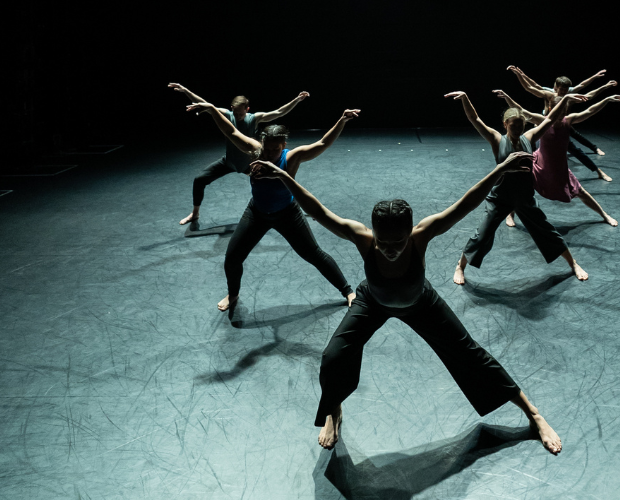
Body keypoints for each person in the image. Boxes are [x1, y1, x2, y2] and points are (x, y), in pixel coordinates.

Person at [250, 151, 563, 455]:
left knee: (471, 355)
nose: (388, 249)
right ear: (372, 233)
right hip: (372, 302)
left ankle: (532, 413)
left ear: (409, 233)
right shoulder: (362, 238)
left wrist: (501, 169)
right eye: (382, 241)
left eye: (397, 242)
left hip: (419, 303)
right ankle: (334, 412)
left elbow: (466, 203)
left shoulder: (421, 235)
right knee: (333, 357)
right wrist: (282, 175)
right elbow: (318, 211)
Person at [185, 101, 359, 310]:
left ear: (284, 145)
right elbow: (230, 131)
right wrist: (212, 110)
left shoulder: (292, 157)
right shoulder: (255, 151)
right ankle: (233, 295)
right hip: (256, 213)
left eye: (275, 150)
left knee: (314, 255)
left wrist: (342, 120)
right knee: (232, 258)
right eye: (267, 149)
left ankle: (347, 291)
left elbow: (322, 143)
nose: (269, 154)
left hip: (287, 214)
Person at [444, 91, 590, 283]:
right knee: (482, 234)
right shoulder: (496, 139)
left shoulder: (529, 137)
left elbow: (550, 119)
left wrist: (564, 100)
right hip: (500, 198)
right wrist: (465, 98)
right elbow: (475, 118)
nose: (518, 129)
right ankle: (460, 266)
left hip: (524, 198)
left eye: (521, 125)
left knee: (547, 232)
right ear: (505, 124)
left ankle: (573, 263)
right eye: (514, 126)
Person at [168, 83, 310, 225]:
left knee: (282, 181)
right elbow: (205, 105)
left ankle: (302, 208)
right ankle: (195, 213)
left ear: (247, 109)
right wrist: (186, 90)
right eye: (235, 113)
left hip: (250, 164)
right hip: (229, 161)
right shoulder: (228, 115)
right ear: (232, 108)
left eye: (241, 114)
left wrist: (296, 100)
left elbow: (279, 112)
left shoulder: (254, 118)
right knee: (199, 180)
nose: (238, 116)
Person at [526, 94, 620, 227]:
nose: (561, 115)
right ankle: (510, 214)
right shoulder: (542, 121)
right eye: (558, 111)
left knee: (581, 192)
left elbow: (589, 111)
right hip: (540, 165)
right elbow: (523, 112)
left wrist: (606, 99)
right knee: (521, 188)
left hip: (559, 168)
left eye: (563, 112)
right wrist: (508, 98)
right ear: (550, 108)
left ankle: (604, 215)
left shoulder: (568, 121)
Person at [507, 67, 616, 182]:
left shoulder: (569, 96)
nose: (564, 91)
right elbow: (530, 87)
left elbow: (587, 94)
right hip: (546, 124)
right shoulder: (549, 94)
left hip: (563, 124)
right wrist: (520, 74)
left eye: (566, 89)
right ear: (555, 87)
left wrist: (604, 86)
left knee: (575, 148)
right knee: (535, 148)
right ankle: (527, 172)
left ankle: (598, 168)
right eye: (561, 89)